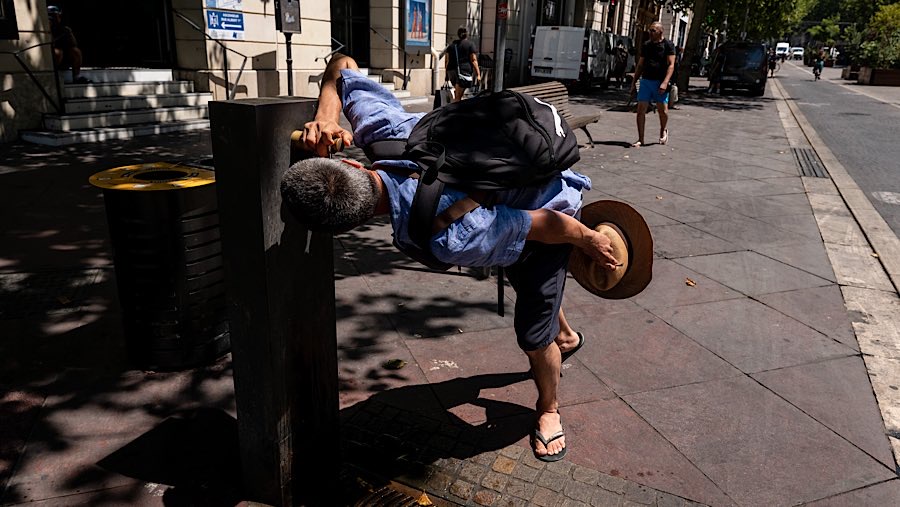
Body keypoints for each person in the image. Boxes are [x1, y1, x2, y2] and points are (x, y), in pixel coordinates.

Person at [289, 54, 623, 463]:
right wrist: (329, 117)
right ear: (345, 162)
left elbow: (546, 225)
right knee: (523, 274)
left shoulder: (450, 234)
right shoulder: (383, 130)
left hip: (553, 206)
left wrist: (589, 239)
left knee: (534, 332)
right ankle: (567, 335)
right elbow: (342, 64)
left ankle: (548, 408)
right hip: (510, 200)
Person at [629, 22, 675, 147]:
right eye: (650, 30)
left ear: (661, 31)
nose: (650, 32)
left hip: (660, 82)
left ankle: (663, 130)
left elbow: (671, 65)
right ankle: (640, 139)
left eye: (653, 30)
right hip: (646, 81)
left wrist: (665, 82)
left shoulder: (668, 45)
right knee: (640, 110)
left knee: (662, 111)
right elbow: (640, 64)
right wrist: (634, 82)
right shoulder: (647, 45)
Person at [47, 5, 90, 84]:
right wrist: (49, 28)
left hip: (64, 58)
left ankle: (76, 77)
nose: (55, 18)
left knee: (76, 51)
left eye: (56, 16)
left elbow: (74, 44)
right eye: (51, 16)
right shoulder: (44, 28)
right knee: (58, 52)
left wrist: (69, 34)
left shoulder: (64, 29)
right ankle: (51, 76)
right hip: (50, 59)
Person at [443, 26, 481, 102]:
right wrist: (478, 74)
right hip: (463, 72)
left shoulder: (451, 46)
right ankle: (455, 110)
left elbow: (447, 61)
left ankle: (456, 100)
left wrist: (446, 75)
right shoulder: (470, 45)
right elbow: (473, 60)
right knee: (458, 96)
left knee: (458, 93)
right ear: (467, 34)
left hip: (451, 71)